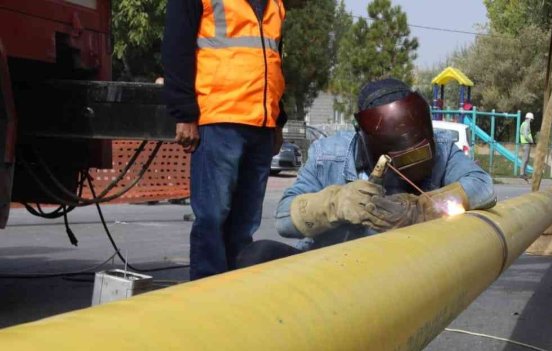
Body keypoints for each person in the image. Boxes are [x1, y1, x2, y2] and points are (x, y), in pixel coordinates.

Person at [237, 77, 496, 266]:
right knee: (255, 256)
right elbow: (283, 219)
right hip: (329, 263)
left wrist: (421, 208)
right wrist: (335, 203)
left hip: (402, 268)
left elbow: (483, 186)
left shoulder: (441, 149)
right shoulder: (329, 154)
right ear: (366, 139)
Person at [162, 0, 286, 280]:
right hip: (219, 118)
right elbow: (175, 49)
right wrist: (184, 113)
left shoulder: (275, 3)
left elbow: (274, 60)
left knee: (245, 224)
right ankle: (206, 296)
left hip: (261, 123)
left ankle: (236, 294)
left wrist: (278, 120)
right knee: (212, 218)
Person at [519, 112, 535, 179]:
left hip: (525, 143)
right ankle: (522, 173)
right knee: (525, 159)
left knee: (526, 159)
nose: (531, 121)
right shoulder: (526, 124)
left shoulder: (524, 124)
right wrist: (531, 141)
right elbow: (526, 135)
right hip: (526, 143)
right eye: (531, 119)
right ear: (529, 119)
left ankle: (523, 173)